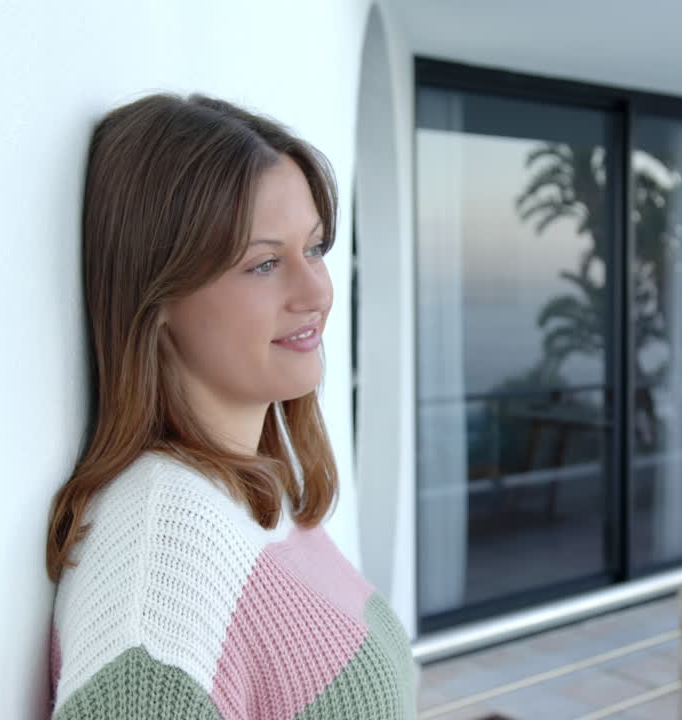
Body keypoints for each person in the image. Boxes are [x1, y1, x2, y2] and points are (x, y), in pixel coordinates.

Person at [44, 93, 415, 719]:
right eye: (265, 263)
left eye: (316, 249)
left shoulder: (252, 487)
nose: (317, 291)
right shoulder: (160, 574)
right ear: (157, 296)